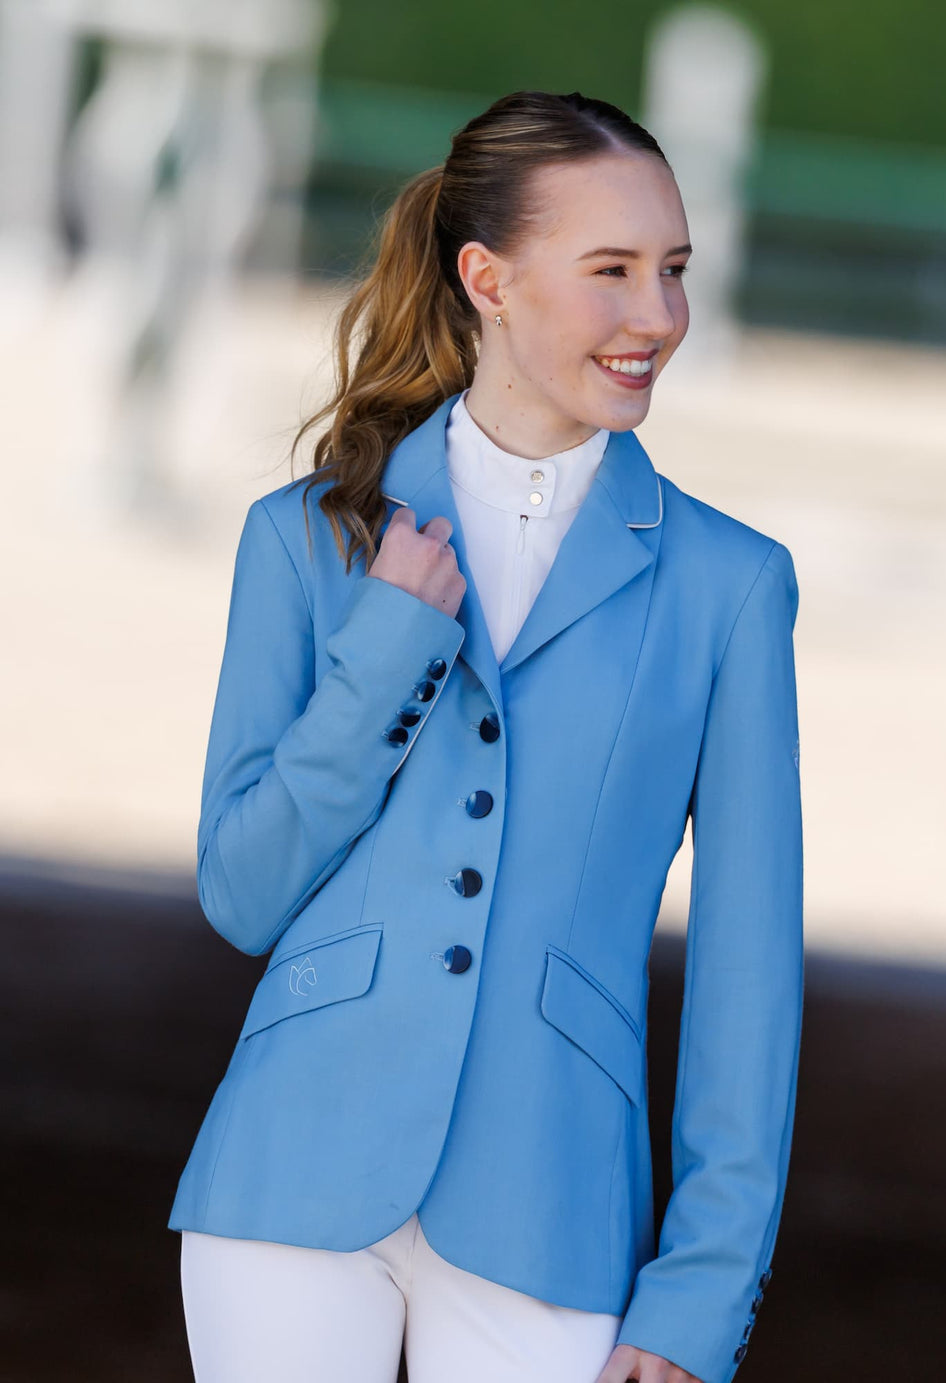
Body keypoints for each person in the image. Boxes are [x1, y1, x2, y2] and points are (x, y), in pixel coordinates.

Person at [168, 89, 804, 1383]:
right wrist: (385, 654)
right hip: (290, 1177)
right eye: (612, 270)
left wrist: (701, 1291)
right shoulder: (304, 539)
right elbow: (242, 892)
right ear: (487, 279)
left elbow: (750, 971)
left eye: (674, 270)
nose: (658, 316)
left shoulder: (729, 587)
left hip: (553, 1206)